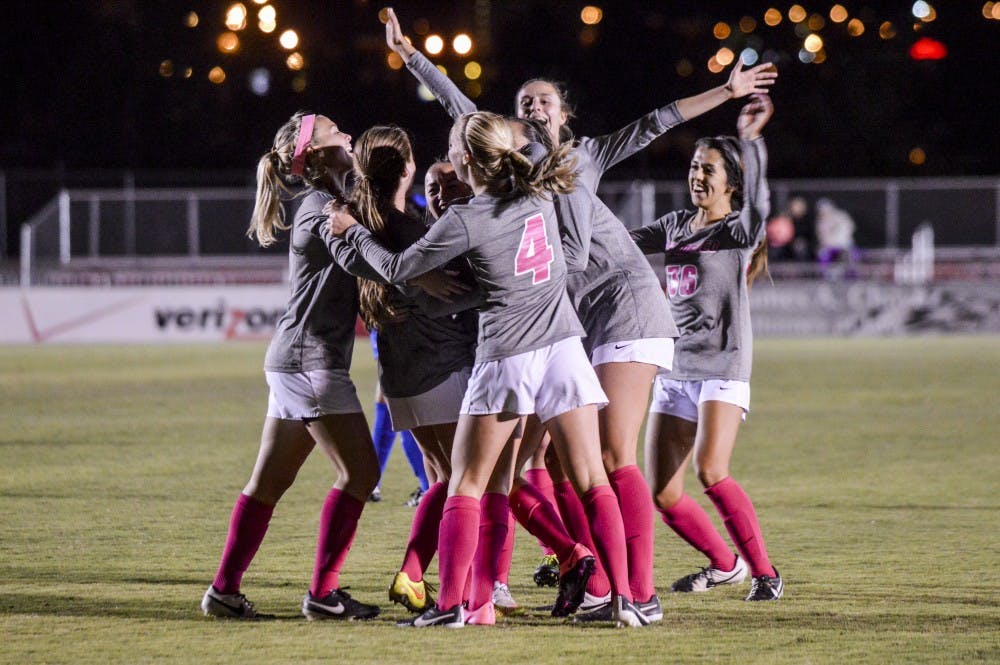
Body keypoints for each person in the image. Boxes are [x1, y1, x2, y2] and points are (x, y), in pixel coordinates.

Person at [383, 9, 775, 620]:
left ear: (563, 114)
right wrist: (413, 58)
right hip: (568, 326)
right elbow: (464, 113)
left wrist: (725, 93)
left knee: (604, 461)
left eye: (543, 101)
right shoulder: (516, 180)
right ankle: (573, 582)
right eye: (523, 103)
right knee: (549, 463)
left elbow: (654, 123)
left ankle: (631, 595)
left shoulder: (579, 159)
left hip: (621, 308)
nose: (533, 108)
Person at [327, 111, 647, 627]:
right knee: (592, 479)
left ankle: (454, 605)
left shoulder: (466, 218)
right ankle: (627, 600)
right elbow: (563, 260)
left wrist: (348, 235)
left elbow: (393, 270)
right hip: (563, 344)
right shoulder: (537, 191)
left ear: (466, 159)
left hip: (509, 352)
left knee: (467, 483)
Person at [200, 111, 381, 620]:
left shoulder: (325, 202)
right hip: (310, 361)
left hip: (295, 359)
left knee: (267, 484)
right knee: (361, 473)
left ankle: (224, 592)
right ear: (318, 155)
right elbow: (363, 262)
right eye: (335, 131)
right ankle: (324, 594)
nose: (347, 133)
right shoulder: (321, 207)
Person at [630, 94, 784, 602]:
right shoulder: (675, 226)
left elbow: (761, 204)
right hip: (676, 369)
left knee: (711, 470)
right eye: (695, 166)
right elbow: (621, 242)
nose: (698, 175)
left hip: (723, 365)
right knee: (663, 493)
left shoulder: (736, 230)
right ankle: (724, 564)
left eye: (709, 169)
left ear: (731, 183)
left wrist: (752, 140)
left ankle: (765, 573)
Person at [367, 328, 430, 507]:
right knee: (387, 394)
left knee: (397, 397)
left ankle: (428, 487)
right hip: (387, 319)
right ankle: (371, 482)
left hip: (392, 319)